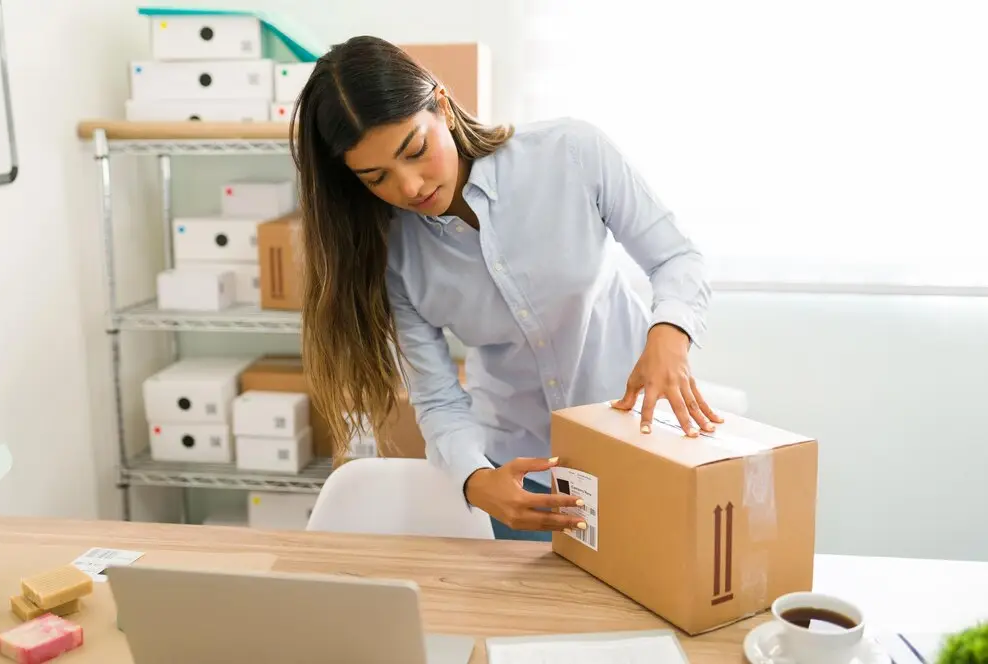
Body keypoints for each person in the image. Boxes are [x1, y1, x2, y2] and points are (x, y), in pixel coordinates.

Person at [291, 36, 722, 541]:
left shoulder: (571, 153)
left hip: (639, 444)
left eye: (416, 150)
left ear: (443, 107)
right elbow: (437, 399)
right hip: (520, 472)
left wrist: (669, 336)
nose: (408, 187)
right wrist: (476, 480)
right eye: (375, 177)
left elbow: (676, 258)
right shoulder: (393, 256)